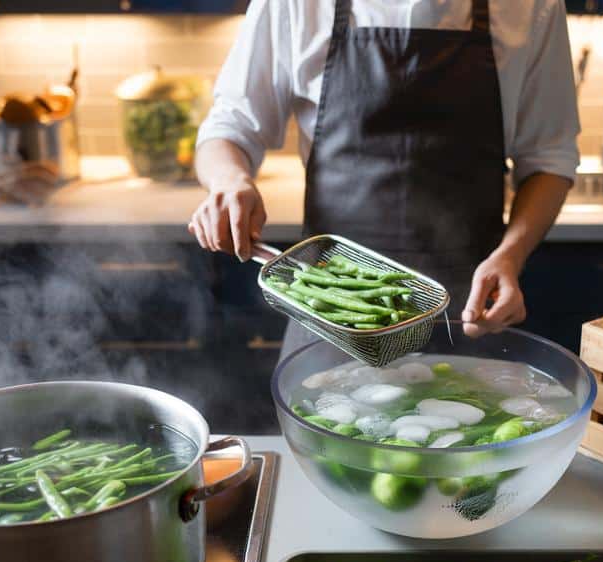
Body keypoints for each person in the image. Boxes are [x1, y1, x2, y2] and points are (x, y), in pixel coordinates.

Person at [188, 0, 579, 355]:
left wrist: (510, 256)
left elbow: (550, 159)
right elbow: (228, 128)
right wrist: (229, 181)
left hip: (469, 313)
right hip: (329, 309)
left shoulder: (532, 6)